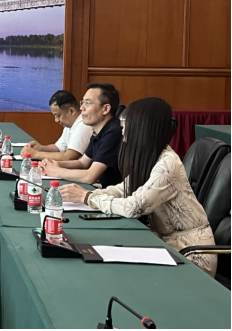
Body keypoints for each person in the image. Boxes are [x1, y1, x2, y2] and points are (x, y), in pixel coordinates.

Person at [59, 98, 217, 277]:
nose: (122, 127)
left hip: (190, 253)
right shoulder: (150, 157)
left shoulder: (167, 164)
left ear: (141, 126)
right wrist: (87, 194)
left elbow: (134, 207)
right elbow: (123, 189)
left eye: (126, 122)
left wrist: (88, 197)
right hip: (164, 244)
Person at [40, 83, 122, 188]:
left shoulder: (114, 132)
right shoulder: (98, 131)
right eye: (82, 102)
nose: (82, 108)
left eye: (87, 103)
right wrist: (54, 164)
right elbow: (82, 163)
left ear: (105, 109)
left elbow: (90, 176)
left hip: (113, 194)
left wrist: (56, 171)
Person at [20, 90, 92, 161]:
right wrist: (40, 148)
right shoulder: (70, 124)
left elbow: (69, 157)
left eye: (58, 116)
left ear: (71, 111)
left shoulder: (83, 125)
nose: (56, 120)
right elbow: (58, 147)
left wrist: (36, 154)